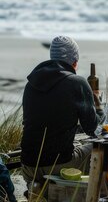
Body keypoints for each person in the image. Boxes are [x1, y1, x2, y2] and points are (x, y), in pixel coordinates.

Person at [20, 36, 99, 187]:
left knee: (72, 142)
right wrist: (95, 105)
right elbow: (91, 128)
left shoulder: (31, 84)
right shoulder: (77, 83)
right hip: (58, 166)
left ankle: (38, 187)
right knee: (100, 147)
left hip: (28, 166)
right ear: (75, 61)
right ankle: (99, 192)